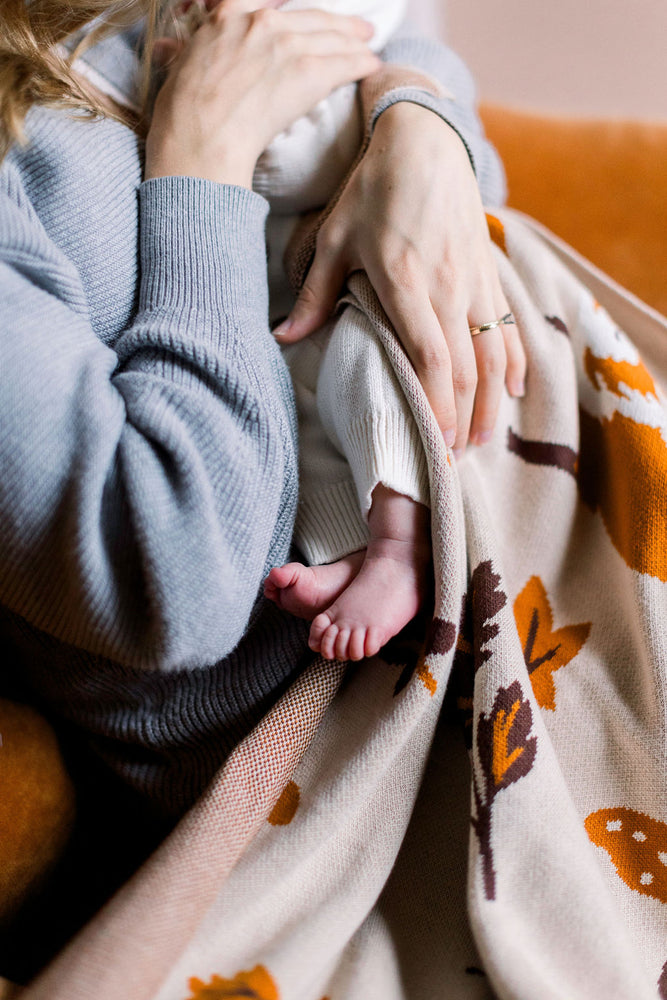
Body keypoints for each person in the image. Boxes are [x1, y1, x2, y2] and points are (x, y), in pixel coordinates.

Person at [0, 0, 519, 892]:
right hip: (354, 757)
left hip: (518, 502)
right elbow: (182, 581)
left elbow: (441, 110)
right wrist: (204, 156)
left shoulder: (126, 22)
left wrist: (413, 118)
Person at [165, 0, 523, 664]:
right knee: (288, 403)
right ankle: (354, 549)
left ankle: (399, 549)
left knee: (364, 365)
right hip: (283, 295)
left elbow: (288, 156)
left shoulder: (319, 33)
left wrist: (200, 94)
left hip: (365, 279)